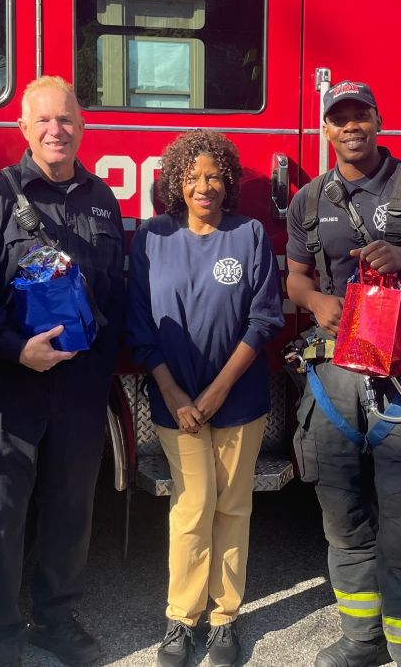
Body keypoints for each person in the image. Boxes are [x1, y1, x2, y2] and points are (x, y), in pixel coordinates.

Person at [284, 81, 401, 667]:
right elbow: (294, 280)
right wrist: (315, 305)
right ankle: (361, 641)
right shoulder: (308, 201)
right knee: (344, 518)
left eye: (360, 114)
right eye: (339, 118)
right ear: (327, 130)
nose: (351, 126)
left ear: (378, 119)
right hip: (331, 376)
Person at [0, 76, 125, 667]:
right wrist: (15, 348)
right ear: (23, 128)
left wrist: (101, 370)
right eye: (45, 121)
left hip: (79, 387)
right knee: (1, 513)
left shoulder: (102, 199)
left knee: (71, 508)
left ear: (82, 127)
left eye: (68, 120)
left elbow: (116, 289)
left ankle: (56, 618)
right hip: (11, 382)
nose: (58, 130)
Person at [128, 130, 285, 667]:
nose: (204, 187)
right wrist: (173, 392)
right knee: (193, 505)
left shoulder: (250, 235)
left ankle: (224, 620)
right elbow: (139, 326)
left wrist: (218, 391)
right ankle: (181, 617)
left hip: (238, 400)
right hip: (176, 403)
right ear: (174, 181)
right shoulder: (150, 238)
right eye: (192, 177)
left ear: (228, 182)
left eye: (214, 176)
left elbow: (264, 318)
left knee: (232, 506)